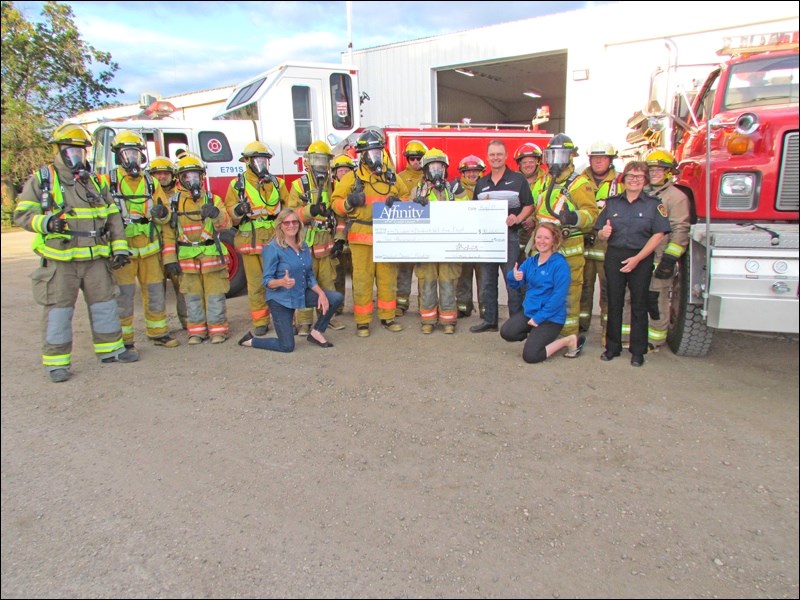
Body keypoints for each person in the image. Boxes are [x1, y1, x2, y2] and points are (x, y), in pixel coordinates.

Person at [13, 122, 138, 383]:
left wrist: (120, 248)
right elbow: (23, 214)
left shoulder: (94, 181)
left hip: (95, 258)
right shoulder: (43, 179)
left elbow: (113, 215)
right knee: (59, 310)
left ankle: (111, 351)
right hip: (61, 260)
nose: (76, 156)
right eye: (70, 150)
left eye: (80, 151)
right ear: (58, 150)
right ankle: (56, 363)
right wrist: (47, 223)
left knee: (105, 305)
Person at [330, 129, 409, 337]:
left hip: (386, 237)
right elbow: (335, 203)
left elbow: (406, 196)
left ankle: (387, 316)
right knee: (362, 279)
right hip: (360, 237)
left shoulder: (391, 177)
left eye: (377, 152)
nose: (374, 157)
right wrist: (348, 202)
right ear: (362, 155)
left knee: (387, 278)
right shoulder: (352, 178)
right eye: (370, 153)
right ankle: (363, 321)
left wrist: (399, 202)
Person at [106, 131, 178, 350]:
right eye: (127, 153)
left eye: (135, 153)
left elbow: (165, 216)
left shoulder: (150, 182)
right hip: (123, 251)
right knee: (124, 296)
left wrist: (161, 212)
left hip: (149, 250)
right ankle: (124, 339)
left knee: (155, 291)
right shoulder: (107, 181)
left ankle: (158, 333)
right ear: (119, 156)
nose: (132, 158)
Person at [595, 161, 671, 367]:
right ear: (624, 178)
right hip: (615, 255)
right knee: (614, 302)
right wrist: (604, 233)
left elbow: (659, 235)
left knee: (639, 304)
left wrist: (637, 259)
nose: (634, 180)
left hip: (641, 257)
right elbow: (600, 230)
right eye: (630, 176)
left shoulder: (654, 204)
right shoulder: (612, 203)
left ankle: (638, 351)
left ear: (645, 180)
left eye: (639, 176)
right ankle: (612, 347)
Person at [237, 208, 343, 352]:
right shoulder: (272, 248)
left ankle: (316, 332)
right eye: (286, 223)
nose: (291, 226)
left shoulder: (303, 246)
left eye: (294, 222)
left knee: (335, 298)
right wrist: (281, 282)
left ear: (299, 224)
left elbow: (309, 275)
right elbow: (266, 281)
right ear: (280, 226)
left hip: (299, 294)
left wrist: (321, 293)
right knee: (287, 346)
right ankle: (250, 341)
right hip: (281, 300)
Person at [621, 149, 691, 349]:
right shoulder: (639, 192)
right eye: (651, 169)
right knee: (629, 296)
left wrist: (670, 259)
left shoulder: (675, 197)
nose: (654, 173)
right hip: (635, 254)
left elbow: (680, 229)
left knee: (655, 298)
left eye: (660, 169)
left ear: (669, 172)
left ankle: (654, 339)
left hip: (659, 257)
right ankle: (627, 337)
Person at [533, 133, 599, 339]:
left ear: (570, 157)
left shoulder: (579, 184)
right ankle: (547, 330)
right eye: (551, 156)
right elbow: (536, 210)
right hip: (545, 249)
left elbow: (592, 214)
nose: (555, 161)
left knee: (569, 293)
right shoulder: (542, 182)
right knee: (545, 290)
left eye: (560, 155)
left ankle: (570, 334)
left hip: (568, 250)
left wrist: (574, 217)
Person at [162, 153, 232, 344]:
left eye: (195, 175)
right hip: (187, 259)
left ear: (201, 177)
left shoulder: (212, 199)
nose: (192, 180)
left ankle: (218, 330)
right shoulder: (174, 203)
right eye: (187, 176)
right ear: (180, 179)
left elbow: (225, 224)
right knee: (192, 297)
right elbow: (168, 234)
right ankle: (197, 331)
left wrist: (216, 214)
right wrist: (169, 260)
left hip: (211, 256)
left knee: (215, 295)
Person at [223, 141, 289, 337]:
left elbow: (287, 209)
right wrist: (238, 210)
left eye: (265, 160)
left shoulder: (277, 183)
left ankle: (283, 319)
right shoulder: (237, 185)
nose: (262, 164)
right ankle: (260, 321)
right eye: (258, 159)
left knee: (280, 282)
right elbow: (227, 216)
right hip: (251, 242)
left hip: (275, 242)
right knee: (256, 285)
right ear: (248, 161)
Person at [470, 139, 535, 333]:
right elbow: (473, 210)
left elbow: (529, 205)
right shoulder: (481, 183)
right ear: (487, 157)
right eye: (492, 154)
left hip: (510, 238)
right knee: (487, 281)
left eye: (499, 154)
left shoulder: (518, 179)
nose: (496, 158)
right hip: (487, 240)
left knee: (512, 281)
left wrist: (518, 218)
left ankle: (516, 323)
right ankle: (490, 321)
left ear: (506, 156)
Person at [501, 222, 586, 363]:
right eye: (539, 237)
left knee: (531, 356)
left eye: (546, 238)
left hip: (551, 317)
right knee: (507, 332)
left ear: (554, 240)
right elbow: (515, 284)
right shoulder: (531, 262)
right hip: (531, 312)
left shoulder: (560, 265)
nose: (542, 241)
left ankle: (569, 341)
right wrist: (513, 276)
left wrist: (538, 318)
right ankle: (537, 337)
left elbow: (558, 298)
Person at [286, 140, 345, 333]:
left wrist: (339, 238)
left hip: (326, 244)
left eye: (323, 161)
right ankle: (304, 322)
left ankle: (329, 317)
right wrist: (309, 211)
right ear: (308, 163)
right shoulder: (298, 186)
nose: (320, 165)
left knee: (327, 282)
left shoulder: (335, 185)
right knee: (303, 283)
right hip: (304, 245)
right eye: (316, 160)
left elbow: (340, 215)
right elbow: (290, 216)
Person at [410, 148, 470, 334]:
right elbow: (406, 218)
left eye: (440, 167)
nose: (436, 171)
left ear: (445, 169)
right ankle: (427, 320)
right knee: (426, 282)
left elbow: (466, 211)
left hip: (449, 246)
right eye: (432, 167)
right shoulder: (417, 190)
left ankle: (448, 320)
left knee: (448, 281)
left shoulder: (455, 189)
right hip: (426, 247)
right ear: (426, 170)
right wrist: (414, 204)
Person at [574, 140, 622, 339]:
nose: (598, 161)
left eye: (603, 158)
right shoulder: (578, 181)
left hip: (608, 246)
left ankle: (607, 331)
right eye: (595, 158)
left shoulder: (620, 182)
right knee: (581, 289)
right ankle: (580, 326)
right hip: (583, 242)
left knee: (608, 291)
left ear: (610, 160)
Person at [147, 156, 187, 330]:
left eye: (165, 173)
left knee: (183, 288)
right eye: (157, 174)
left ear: (173, 175)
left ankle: (189, 324)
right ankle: (159, 330)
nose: (161, 177)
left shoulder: (180, 196)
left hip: (177, 249)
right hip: (153, 250)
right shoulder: (146, 197)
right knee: (155, 291)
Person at [395, 139, 428, 316]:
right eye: (412, 158)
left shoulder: (428, 177)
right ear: (407, 159)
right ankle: (401, 304)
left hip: (424, 233)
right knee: (404, 271)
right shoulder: (399, 178)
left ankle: (425, 304)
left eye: (419, 158)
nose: (416, 161)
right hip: (406, 232)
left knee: (423, 272)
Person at [453, 155, 486, 319]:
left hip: (483, 240)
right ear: (463, 173)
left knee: (484, 277)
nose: (472, 174)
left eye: (475, 171)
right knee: (463, 276)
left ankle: (486, 309)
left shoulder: (487, 186)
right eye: (468, 171)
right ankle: (463, 307)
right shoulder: (455, 188)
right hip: (463, 239)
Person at [513, 142, 548, 263]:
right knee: (518, 270)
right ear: (519, 164)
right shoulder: (513, 181)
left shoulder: (547, 181)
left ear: (538, 162)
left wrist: (533, 219)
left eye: (531, 161)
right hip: (517, 232)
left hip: (539, 233)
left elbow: (549, 205)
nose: (528, 165)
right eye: (524, 162)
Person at [330, 153, 356, 314]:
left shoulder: (356, 188)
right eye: (341, 171)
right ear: (335, 173)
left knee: (358, 275)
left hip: (355, 237)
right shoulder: (330, 190)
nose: (344, 174)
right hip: (336, 239)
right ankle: (338, 307)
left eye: (347, 171)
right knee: (338, 276)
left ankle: (359, 306)